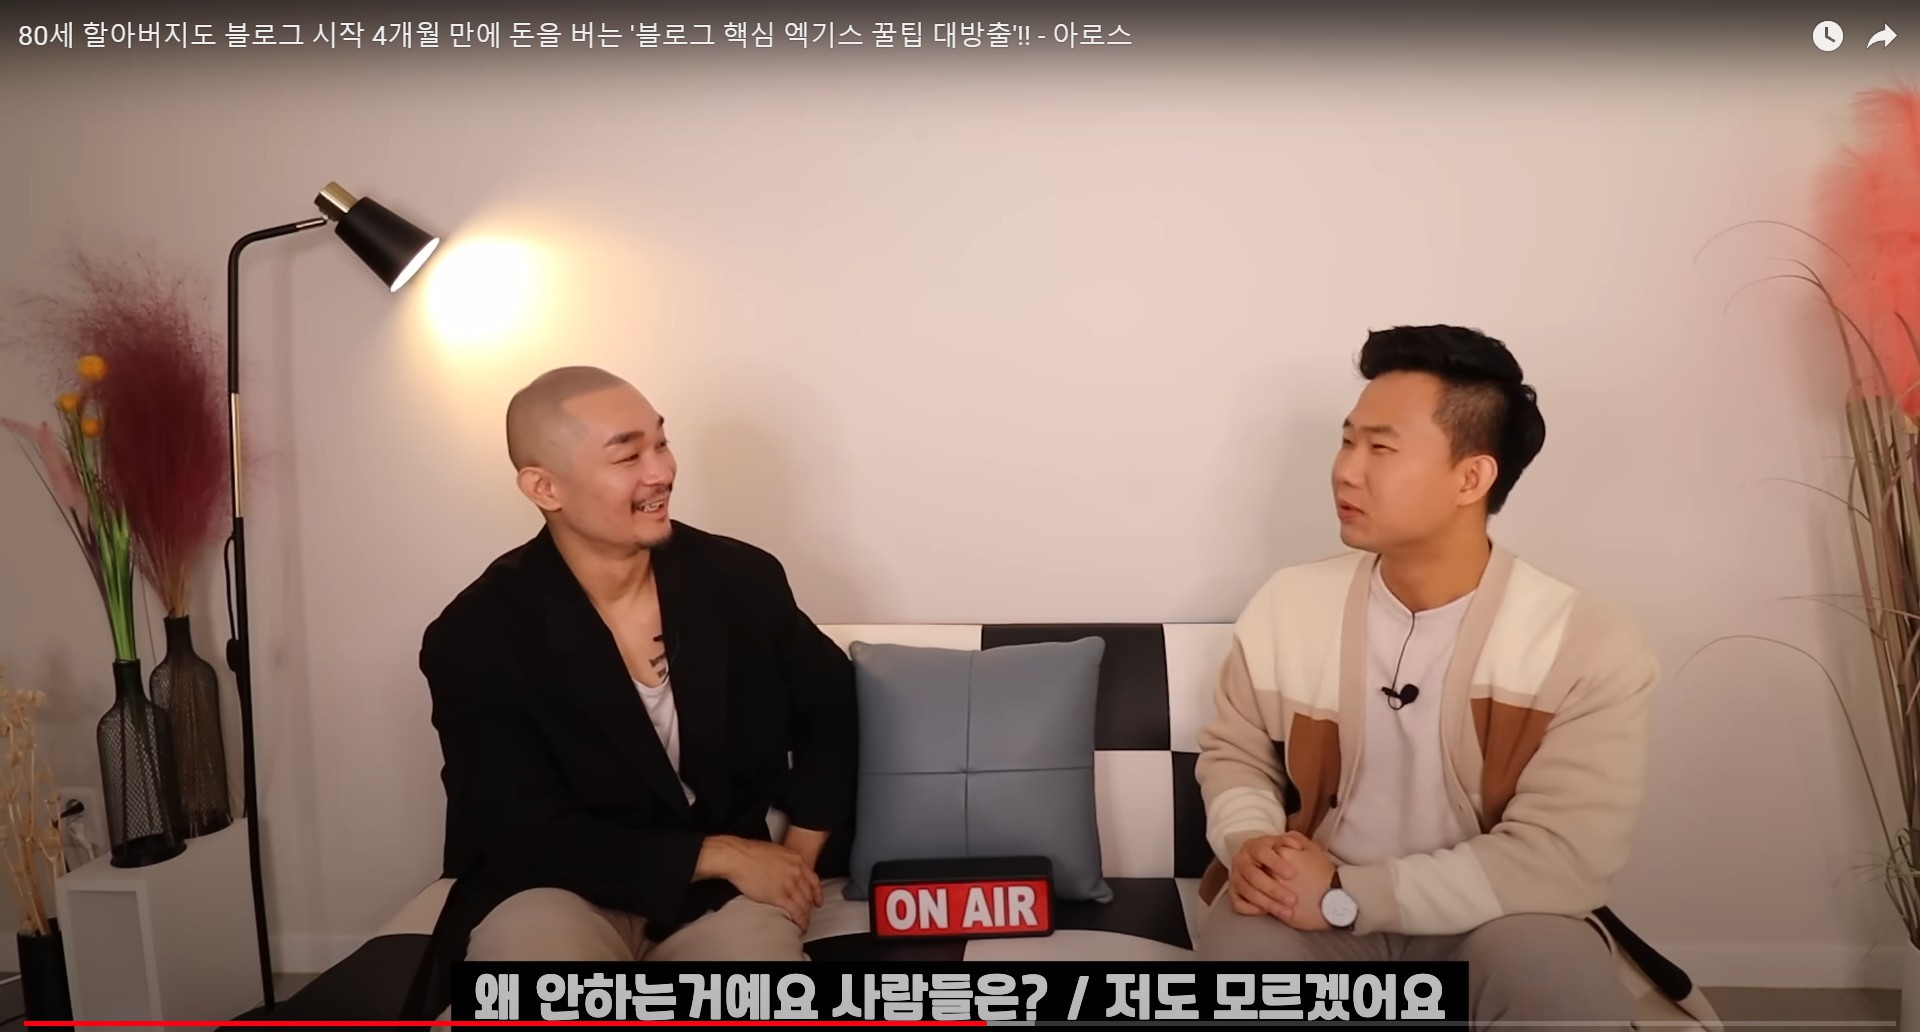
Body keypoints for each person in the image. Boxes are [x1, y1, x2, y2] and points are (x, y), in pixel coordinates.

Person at [1192, 326, 1718, 1031]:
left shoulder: (1587, 644)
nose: (1346, 471)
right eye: (1347, 441)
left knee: (1558, 983)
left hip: (1499, 917)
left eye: (1381, 449)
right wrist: (1250, 842)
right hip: (1309, 907)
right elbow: (1234, 753)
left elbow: (1561, 858)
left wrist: (1348, 893)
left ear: (1471, 478)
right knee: (1242, 959)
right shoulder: (1290, 604)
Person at [401, 366, 858, 1019]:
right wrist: (716, 853)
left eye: (661, 443)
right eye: (628, 456)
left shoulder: (740, 580)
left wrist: (796, 858)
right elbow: (516, 830)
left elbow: (832, 706)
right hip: (555, 890)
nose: (661, 472)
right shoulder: (477, 634)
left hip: (721, 900)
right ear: (544, 486)